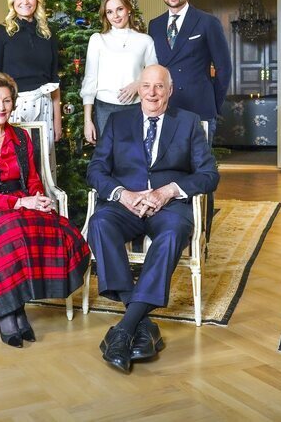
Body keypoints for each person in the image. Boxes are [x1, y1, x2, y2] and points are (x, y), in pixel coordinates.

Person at [86, 64, 219, 373]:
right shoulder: (118, 122)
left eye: (159, 87)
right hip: (126, 205)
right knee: (99, 223)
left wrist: (168, 191)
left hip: (168, 207)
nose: (152, 92)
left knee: (173, 234)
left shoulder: (187, 123)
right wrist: (122, 194)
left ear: (169, 91)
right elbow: (96, 169)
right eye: (146, 86)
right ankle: (141, 325)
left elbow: (209, 174)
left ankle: (123, 330)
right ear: (139, 89)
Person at [0, 72, 90, 347]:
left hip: (20, 200)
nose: (1, 107)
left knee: (58, 229)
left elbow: (33, 179)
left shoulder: (22, 137)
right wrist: (19, 203)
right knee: (9, 231)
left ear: (13, 104)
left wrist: (39, 199)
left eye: (7, 101)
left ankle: (14, 308)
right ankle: (10, 314)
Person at [148, 0, 232, 146]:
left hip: (199, 109)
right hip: (166, 109)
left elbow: (224, 69)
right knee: (168, 168)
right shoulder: (154, 25)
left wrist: (213, 105)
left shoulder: (208, 22)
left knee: (199, 168)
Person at [0, 0, 62, 144]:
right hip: (11, 108)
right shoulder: (0, 33)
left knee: (41, 164)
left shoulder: (48, 34)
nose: (25, 2)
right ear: (12, 1)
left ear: (37, 0)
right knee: (14, 164)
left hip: (44, 107)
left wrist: (57, 121)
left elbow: (54, 81)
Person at [82, 0, 157, 144]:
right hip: (104, 109)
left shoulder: (145, 41)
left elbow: (153, 74)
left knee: (134, 157)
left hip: (135, 108)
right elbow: (90, 80)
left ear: (128, 9)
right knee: (106, 159)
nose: (115, 16)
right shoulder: (97, 40)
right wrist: (87, 121)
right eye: (109, 12)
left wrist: (138, 84)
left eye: (119, 9)